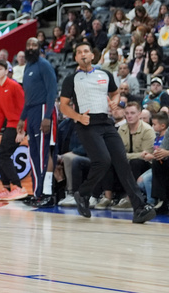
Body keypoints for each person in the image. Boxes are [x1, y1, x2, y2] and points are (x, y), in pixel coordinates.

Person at [59, 43, 156, 223]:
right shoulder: (71, 79)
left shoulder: (104, 74)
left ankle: (140, 208)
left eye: (86, 51)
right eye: (79, 52)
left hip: (106, 122)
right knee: (103, 161)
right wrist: (78, 117)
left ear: (93, 56)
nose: (83, 54)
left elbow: (115, 93)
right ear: (76, 58)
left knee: (122, 162)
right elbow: (63, 106)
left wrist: (115, 102)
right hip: (87, 124)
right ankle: (83, 193)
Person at [16, 37, 58, 207]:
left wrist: (47, 116)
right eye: (28, 45)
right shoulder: (28, 67)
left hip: (43, 110)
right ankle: (36, 192)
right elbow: (28, 97)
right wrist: (22, 118)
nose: (31, 47)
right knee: (34, 154)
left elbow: (52, 90)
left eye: (34, 45)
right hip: (32, 112)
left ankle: (45, 193)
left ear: (39, 47)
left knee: (42, 153)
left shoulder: (44, 65)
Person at [0, 59, 27, 201]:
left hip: (18, 125)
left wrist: (22, 130)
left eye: (0, 69)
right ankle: (6, 188)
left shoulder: (14, 86)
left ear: (6, 71)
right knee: (1, 155)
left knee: (2, 155)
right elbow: (0, 115)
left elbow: (24, 108)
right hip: (9, 125)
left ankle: (18, 187)